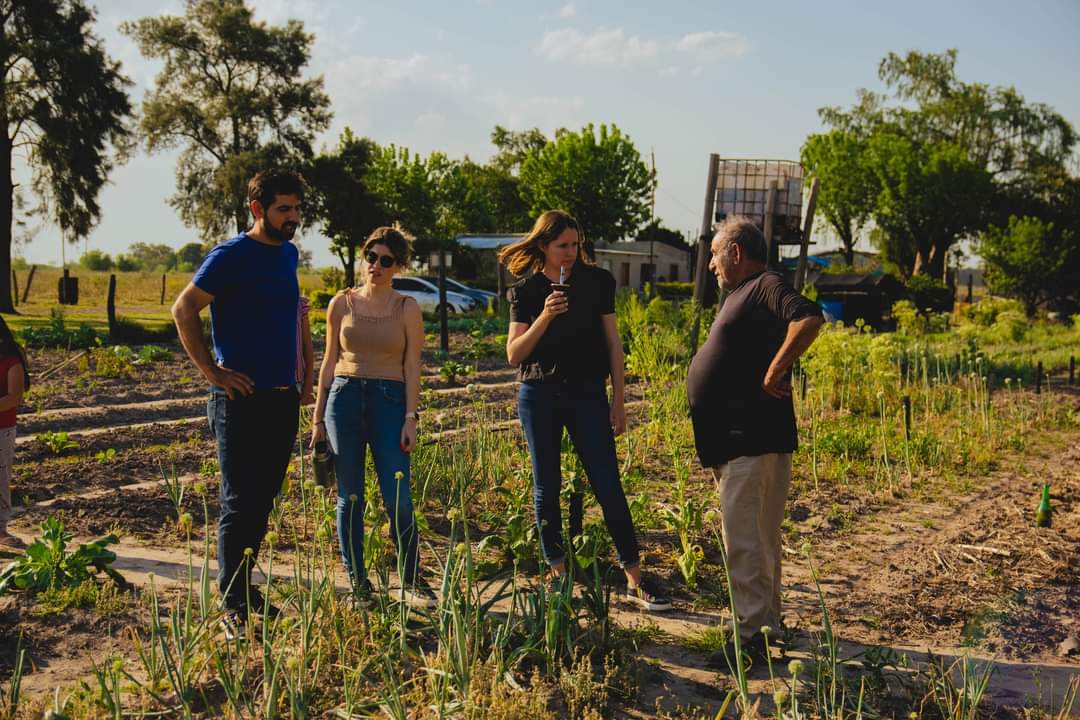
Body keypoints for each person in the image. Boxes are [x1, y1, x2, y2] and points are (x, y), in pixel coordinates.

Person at [500, 210, 672, 612]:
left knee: (607, 483)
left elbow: (613, 343)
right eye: (562, 246)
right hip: (539, 394)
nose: (571, 252)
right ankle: (558, 575)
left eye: (575, 244)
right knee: (546, 486)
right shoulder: (525, 291)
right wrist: (545, 315)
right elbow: (514, 354)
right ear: (544, 246)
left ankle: (634, 577)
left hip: (587, 393)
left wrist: (618, 401)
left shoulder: (597, 282)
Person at [172, 168, 304, 634]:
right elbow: (183, 309)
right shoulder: (230, 256)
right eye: (283, 209)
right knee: (238, 501)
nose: (293, 217)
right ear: (257, 209)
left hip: (282, 398)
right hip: (239, 400)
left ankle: (245, 588)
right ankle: (231, 604)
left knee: (263, 500)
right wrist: (213, 372)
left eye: (297, 208)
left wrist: (301, 379)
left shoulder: (288, 254)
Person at [686, 216, 824, 657]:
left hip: (750, 437)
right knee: (759, 541)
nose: (711, 265)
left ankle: (749, 637)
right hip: (744, 440)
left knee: (745, 542)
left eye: (714, 255)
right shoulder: (744, 293)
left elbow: (808, 318)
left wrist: (775, 370)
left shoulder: (765, 284)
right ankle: (766, 627)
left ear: (736, 252)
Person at [309, 226, 434, 608]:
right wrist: (317, 419)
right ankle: (359, 585)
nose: (376, 265)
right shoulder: (341, 304)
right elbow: (329, 362)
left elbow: (412, 366)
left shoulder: (406, 308)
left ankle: (411, 580)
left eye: (385, 260)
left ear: (398, 266)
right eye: (371, 257)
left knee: (398, 498)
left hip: (389, 400)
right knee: (349, 497)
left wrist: (410, 417)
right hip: (343, 399)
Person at [0, 317, 29, 550]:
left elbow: (14, 398)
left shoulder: (12, 362)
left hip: (2, 429)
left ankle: (0, 529)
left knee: (0, 477)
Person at [296, 295, 314, 404]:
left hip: (294, 383)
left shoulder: (297, 303)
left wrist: (308, 385)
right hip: (256, 384)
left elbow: (307, 344)